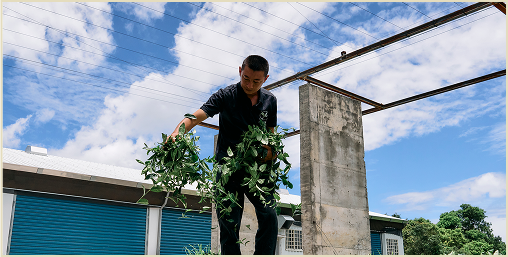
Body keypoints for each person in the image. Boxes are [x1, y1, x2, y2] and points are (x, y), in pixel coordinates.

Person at [167, 55, 278, 255]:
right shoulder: (225, 95)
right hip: (228, 170)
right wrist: (178, 132)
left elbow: (271, 133)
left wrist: (271, 151)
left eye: (256, 81)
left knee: (269, 215)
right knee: (229, 224)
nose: (250, 84)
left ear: (266, 79)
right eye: (246, 78)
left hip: (257, 171)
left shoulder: (270, 101)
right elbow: (196, 117)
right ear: (239, 71)